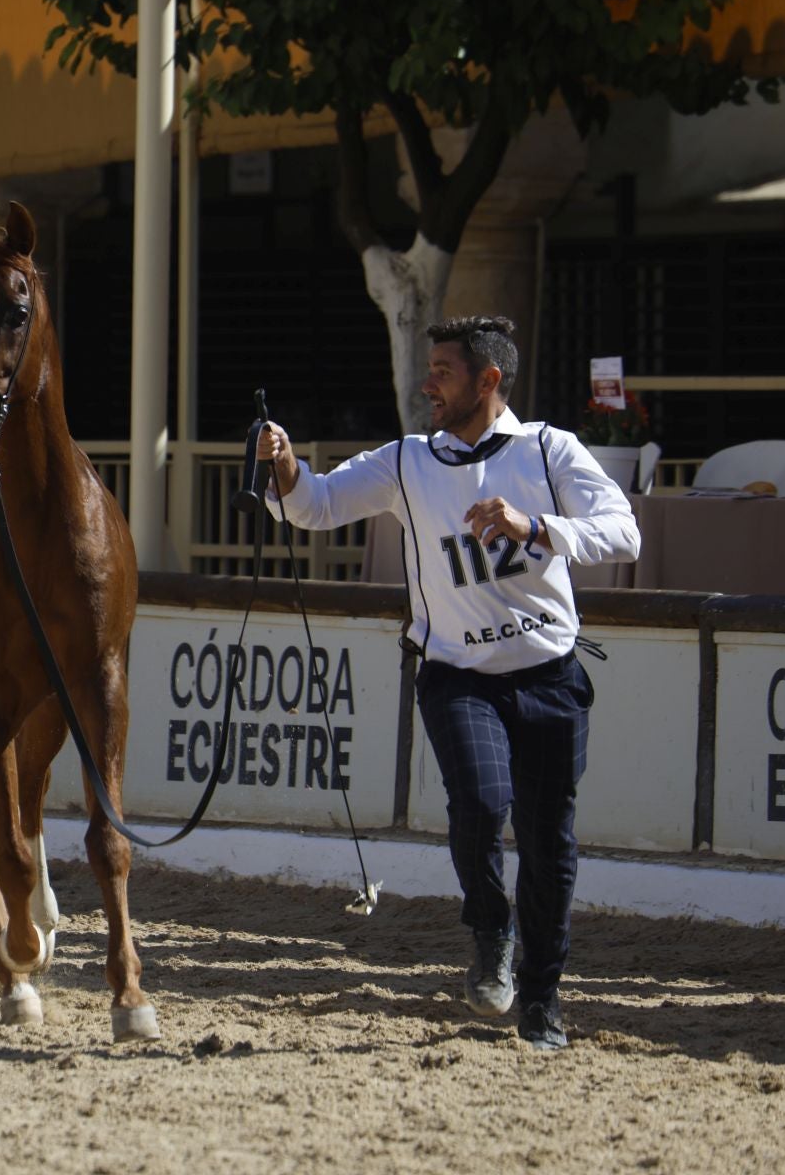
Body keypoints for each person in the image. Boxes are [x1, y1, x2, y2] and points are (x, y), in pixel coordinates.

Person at [256, 315, 638, 1050]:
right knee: (480, 801)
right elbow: (316, 506)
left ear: (488, 382)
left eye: (443, 371)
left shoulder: (549, 449)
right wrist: (284, 464)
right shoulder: (407, 460)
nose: (426, 383)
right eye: (428, 368)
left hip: (551, 675)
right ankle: (490, 926)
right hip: (457, 676)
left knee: (548, 840)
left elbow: (624, 532)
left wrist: (535, 527)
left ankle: (543, 998)